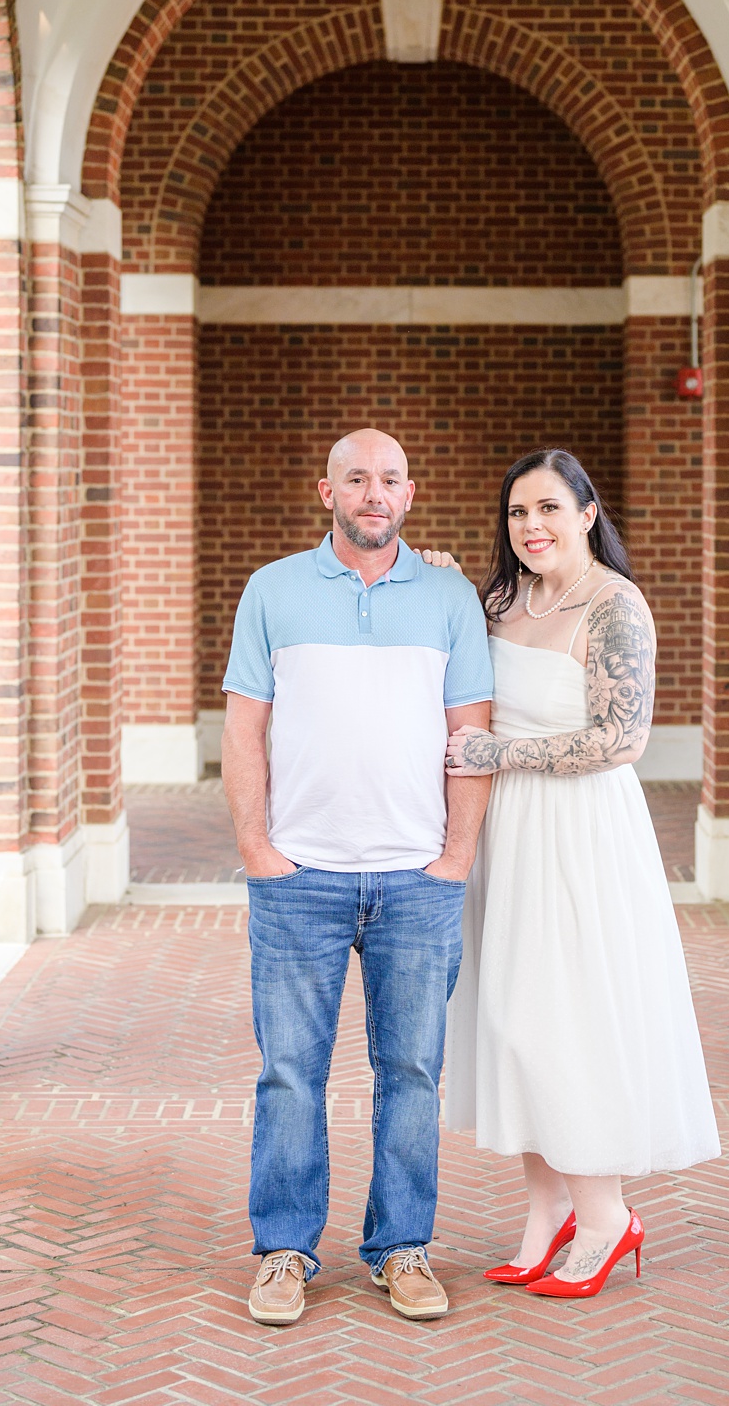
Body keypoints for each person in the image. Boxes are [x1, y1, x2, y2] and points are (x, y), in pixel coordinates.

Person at [430, 448, 719, 1298]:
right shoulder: (498, 602)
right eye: (519, 514)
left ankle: (606, 1216)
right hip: (509, 836)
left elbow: (621, 741)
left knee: (566, 1023)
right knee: (514, 1023)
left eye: (550, 509)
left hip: (580, 834)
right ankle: (544, 1212)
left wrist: (497, 752)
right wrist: (434, 573)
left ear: (588, 514)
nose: (532, 527)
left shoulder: (614, 606)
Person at [224, 429, 496, 1327]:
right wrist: (260, 849)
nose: (372, 493)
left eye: (387, 480)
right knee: (290, 1075)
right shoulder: (272, 591)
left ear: (409, 494)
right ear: (326, 491)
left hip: (416, 879)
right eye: (355, 479)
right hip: (299, 877)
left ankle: (401, 1247)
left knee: (412, 1071)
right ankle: (286, 1253)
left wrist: (455, 857)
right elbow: (242, 733)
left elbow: (471, 739)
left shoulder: (452, 598)